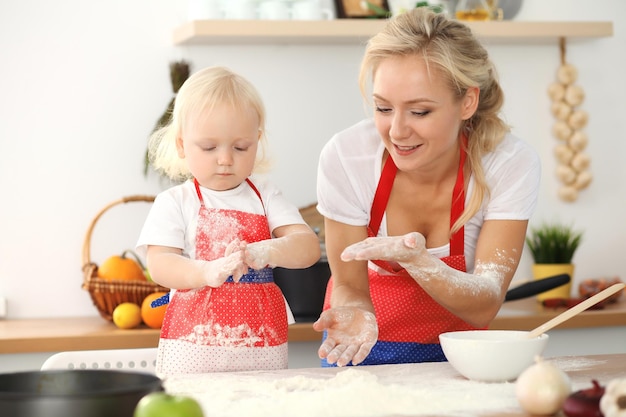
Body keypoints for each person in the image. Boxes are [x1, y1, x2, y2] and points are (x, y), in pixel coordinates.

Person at [313, 8, 541, 367]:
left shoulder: (507, 163)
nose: (397, 131)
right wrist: (354, 311)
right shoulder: (347, 157)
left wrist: (419, 262)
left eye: (419, 112)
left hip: (460, 358)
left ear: (468, 101)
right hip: (359, 348)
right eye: (383, 108)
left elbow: (485, 301)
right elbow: (351, 286)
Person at [137, 66, 321, 376]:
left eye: (240, 147)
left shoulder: (265, 196)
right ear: (182, 144)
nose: (225, 159)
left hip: (261, 339)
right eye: (209, 147)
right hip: (194, 342)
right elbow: (160, 264)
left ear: (257, 141)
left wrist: (264, 252)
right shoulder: (176, 202)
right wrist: (206, 271)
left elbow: (307, 248)